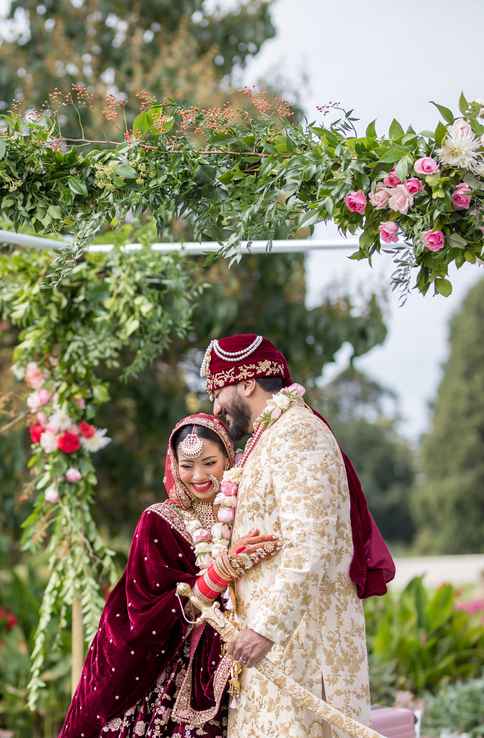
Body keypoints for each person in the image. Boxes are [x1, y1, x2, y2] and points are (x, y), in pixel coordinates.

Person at [200, 334, 395, 738]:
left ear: (247, 382)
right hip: (277, 654)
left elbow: (311, 544)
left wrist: (265, 628)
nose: (215, 407)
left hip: (303, 652)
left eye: (218, 391)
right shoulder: (267, 438)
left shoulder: (297, 433)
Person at [58, 413, 280, 738]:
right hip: (168, 670)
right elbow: (147, 610)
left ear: (228, 459)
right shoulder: (159, 521)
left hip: (243, 658)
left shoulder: (245, 512)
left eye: (209, 462)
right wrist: (221, 572)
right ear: (174, 464)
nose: (198, 475)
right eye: (187, 465)